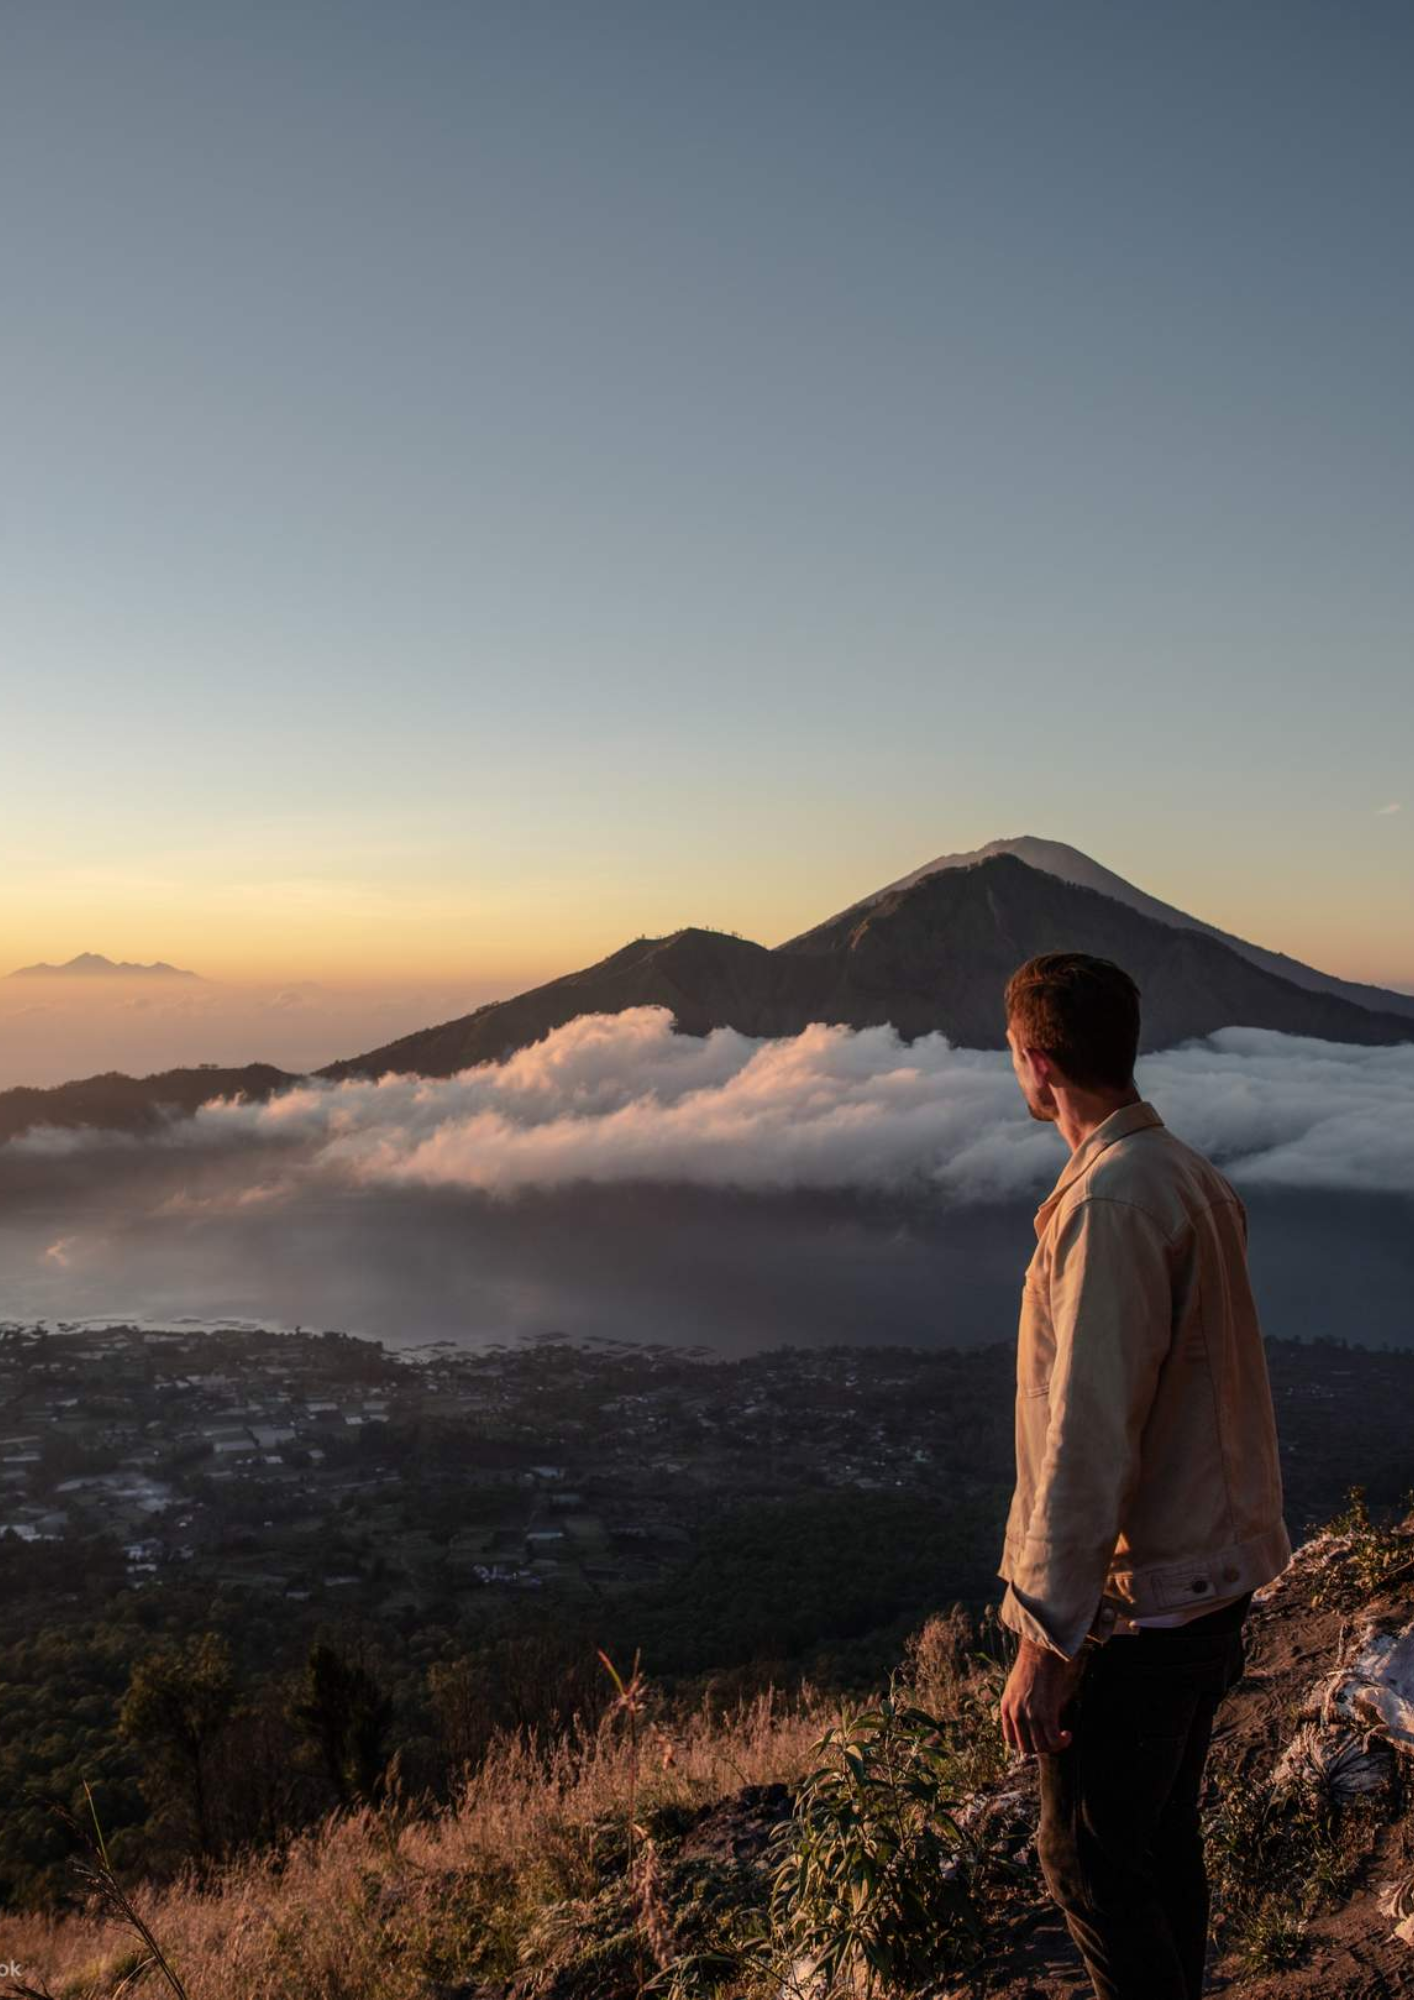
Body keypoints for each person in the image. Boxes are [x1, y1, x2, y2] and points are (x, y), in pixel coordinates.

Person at [994, 950, 1292, 2000]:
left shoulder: (1111, 1201)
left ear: (1036, 1062)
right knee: (1156, 1847)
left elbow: (1088, 1434)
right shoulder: (1185, 1174)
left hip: (1143, 1604)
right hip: (1211, 1577)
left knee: (1084, 1858)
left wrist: (1044, 1635)